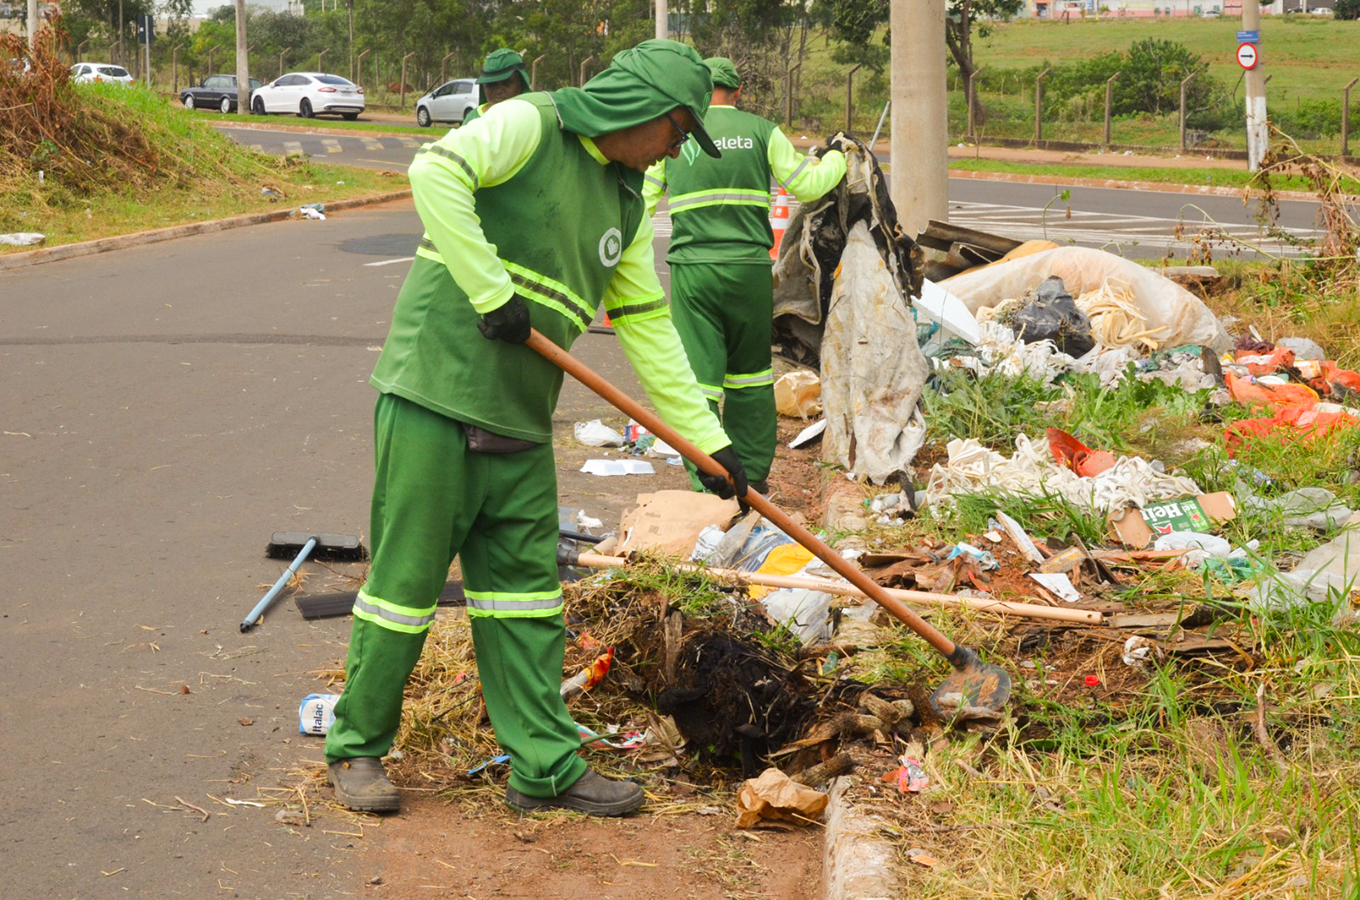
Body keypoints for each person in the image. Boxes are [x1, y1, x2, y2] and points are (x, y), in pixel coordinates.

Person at [323, 39, 748, 819]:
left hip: (521, 419)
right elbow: (434, 171)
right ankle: (357, 748)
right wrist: (490, 291)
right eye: (681, 131)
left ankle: (545, 769)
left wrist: (706, 443)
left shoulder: (627, 197)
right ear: (645, 109)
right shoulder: (529, 123)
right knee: (404, 588)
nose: (679, 148)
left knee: (523, 598)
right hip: (436, 396)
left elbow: (648, 323)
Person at [643, 58, 846, 496]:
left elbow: (642, 199)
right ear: (737, 93)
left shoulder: (676, 131)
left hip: (692, 272)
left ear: (700, 91)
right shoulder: (761, 130)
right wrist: (836, 159)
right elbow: (808, 186)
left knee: (698, 381)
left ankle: (705, 477)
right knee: (750, 376)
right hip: (749, 271)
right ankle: (751, 475)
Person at [461, 48, 529, 124]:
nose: (498, 91)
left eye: (507, 83)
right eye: (490, 84)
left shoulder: (530, 118)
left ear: (520, 82)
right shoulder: (473, 119)